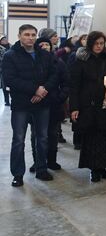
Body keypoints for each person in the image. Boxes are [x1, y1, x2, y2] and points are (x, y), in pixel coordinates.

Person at [3, 25, 59, 186]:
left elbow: (54, 75)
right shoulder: (10, 56)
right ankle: (18, 174)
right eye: (26, 35)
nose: (31, 38)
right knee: (19, 140)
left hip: (42, 103)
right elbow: (10, 80)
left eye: (33, 35)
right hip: (21, 104)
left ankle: (42, 169)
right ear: (19, 36)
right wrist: (35, 89)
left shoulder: (44, 55)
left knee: (42, 138)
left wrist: (44, 90)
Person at [69, 31, 106, 183]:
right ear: (90, 44)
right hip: (89, 105)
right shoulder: (81, 60)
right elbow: (74, 85)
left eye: (101, 43)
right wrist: (74, 107)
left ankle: (104, 166)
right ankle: (94, 169)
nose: (99, 46)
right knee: (92, 137)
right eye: (96, 43)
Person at [33, 37, 69, 172]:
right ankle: (37, 161)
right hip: (36, 103)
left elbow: (66, 83)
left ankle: (52, 161)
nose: (44, 46)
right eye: (41, 44)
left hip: (54, 103)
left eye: (46, 44)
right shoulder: (33, 62)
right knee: (36, 134)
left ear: (51, 46)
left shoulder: (59, 62)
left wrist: (60, 98)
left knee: (52, 134)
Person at [0, 35, 9, 106]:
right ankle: (7, 101)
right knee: (4, 86)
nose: (5, 40)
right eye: (3, 39)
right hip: (3, 70)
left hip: (11, 69)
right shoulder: (1, 49)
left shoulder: (11, 47)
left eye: (5, 39)